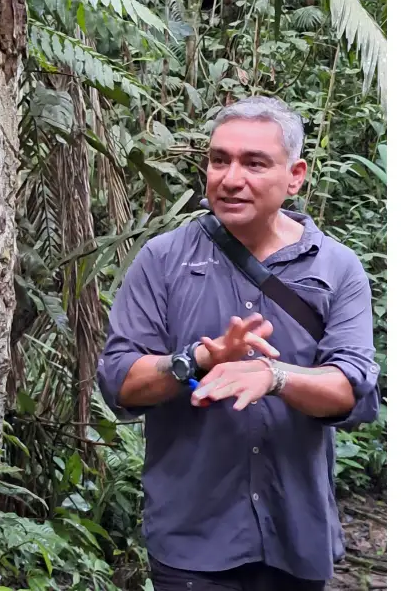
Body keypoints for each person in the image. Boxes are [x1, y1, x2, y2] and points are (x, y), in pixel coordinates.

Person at [96, 96, 381, 591]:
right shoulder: (163, 260)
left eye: (254, 163)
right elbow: (120, 382)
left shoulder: (336, 267)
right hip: (192, 541)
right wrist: (196, 360)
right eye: (219, 160)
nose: (230, 178)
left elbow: (349, 390)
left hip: (296, 535)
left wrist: (276, 377)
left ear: (295, 176)